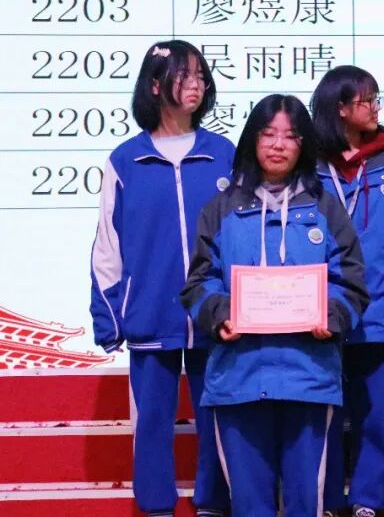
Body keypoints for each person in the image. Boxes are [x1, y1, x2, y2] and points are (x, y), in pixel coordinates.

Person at [180, 94, 369, 517]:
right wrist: (220, 315)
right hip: (238, 378)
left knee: (307, 502)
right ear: (253, 139)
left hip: (309, 375)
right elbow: (198, 282)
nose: (279, 145)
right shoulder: (221, 208)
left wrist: (331, 316)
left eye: (291, 136)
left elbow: (352, 281)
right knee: (249, 506)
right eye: (268, 134)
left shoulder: (326, 208)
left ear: (304, 144)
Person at [89, 40, 232, 517]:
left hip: (216, 316)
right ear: (155, 85)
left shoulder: (223, 155)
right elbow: (107, 245)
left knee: (217, 416)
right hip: (149, 314)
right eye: (184, 75)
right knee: (151, 420)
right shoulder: (125, 161)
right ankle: (155, 507)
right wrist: (110, 318)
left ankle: (214, 503)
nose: (197, 84)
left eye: (201, 75)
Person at [310, 67, 384, 517]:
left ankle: (368, 501)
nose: (375, 108)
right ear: (340, 108)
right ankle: (326, 499)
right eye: (367, 100)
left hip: (382, 306)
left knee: (375, 416)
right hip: (322, 311)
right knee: (324, 412)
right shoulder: (309, 163)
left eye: (377, 99)